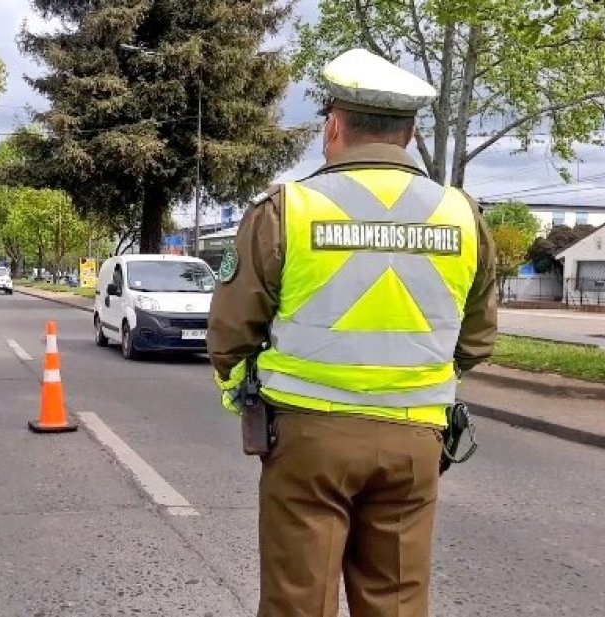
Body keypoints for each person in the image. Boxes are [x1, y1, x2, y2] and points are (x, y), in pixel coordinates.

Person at [207, 48, 497, 617]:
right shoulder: (463, 215)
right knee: (395, 601)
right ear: (411, 135)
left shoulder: (287, 209)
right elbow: (478, 337)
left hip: (308, 439)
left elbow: (232, 331)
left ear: (333, 126)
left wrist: (239, 381)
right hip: (416, 437)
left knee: (300, 601)